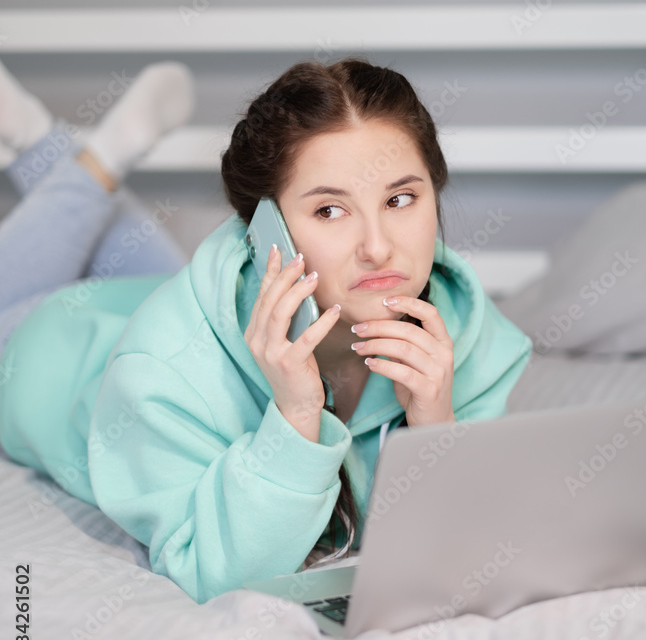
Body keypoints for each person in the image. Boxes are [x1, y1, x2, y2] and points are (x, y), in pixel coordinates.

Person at [0, 57, 533, 603]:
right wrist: (296, 418)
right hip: (46, 345)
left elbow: (472, 551)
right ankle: (88, 158)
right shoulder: (161, 368)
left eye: (400, 199)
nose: (378, 247)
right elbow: (219, 575)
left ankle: (56, 146)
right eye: (330, 210)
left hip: (165, 294)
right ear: (262, 230)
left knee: (155, 271)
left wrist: (435, 430)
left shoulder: (464, 334)